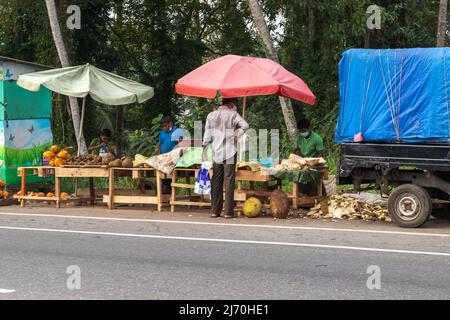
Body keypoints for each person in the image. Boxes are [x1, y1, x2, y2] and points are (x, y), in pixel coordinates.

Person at [203, 97, 249, 219]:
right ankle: (228, 212)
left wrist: (205, 149)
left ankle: (214, 211)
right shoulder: (233, 114)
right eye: (235, 104)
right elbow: (245, 125)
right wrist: (237, 134)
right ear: (231, 103)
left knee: (216, 181)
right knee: (229, 181)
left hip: (216, 151)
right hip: (229, 151)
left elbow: (207, 135)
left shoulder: (211, 115)